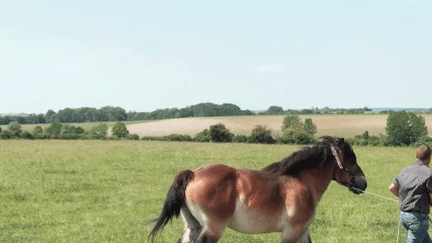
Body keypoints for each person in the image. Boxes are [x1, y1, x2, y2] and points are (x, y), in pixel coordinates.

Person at [389, 145, 432, 243]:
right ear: (429, 158)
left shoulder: (405, 170)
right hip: (418, 219)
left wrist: (406, 198)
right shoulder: (429, 173)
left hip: (404, 216)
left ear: (416, 156)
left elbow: (392, 187)